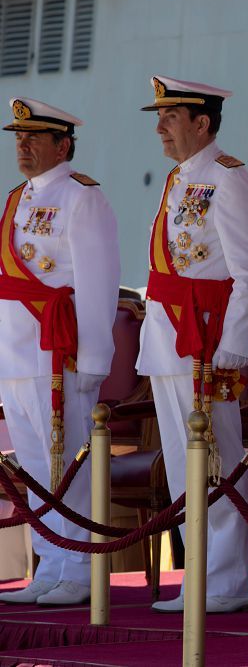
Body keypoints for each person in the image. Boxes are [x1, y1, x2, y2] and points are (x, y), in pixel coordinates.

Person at [138, 76, 248, 614]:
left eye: (170, 116)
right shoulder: (179, 180)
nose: (160, 126)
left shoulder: (226, 178)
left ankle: (227, 581)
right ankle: (200, 579)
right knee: (184, 464)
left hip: (207, 342)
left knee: (217, 458)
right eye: (159, 116)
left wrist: (235, 347)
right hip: (169, 337)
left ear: (202, 122)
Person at [0, 98, 119, 606]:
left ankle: (79, 570)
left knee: (66, 464)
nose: (22, 146)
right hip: (16, 352)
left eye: (33, 138)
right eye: (18, 138)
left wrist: (93, 360)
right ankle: (50, 567)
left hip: (59, 353)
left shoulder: (82, 197)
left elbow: (98, 283)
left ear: (62, 146)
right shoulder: (15, 198)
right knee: (31, 465)